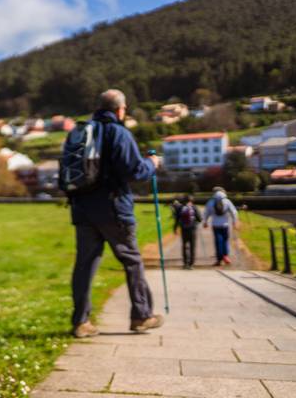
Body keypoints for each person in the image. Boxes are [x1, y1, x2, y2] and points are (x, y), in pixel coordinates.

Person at [68, 89, 163, 338]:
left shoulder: (82, 132)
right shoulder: (118, 133)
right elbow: (134, 171)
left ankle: (81, 322)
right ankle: (142, 315)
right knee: (131, 261)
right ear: (120, 109)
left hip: (82, 208)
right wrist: (152, 165)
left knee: (85, 265)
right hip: (113, 208)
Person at [203, 188, 239, 266]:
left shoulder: (211, 202)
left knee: (218, 241)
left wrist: (205, 222)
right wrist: (234, 221)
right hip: (225, 224)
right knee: (225, 240)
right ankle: (225, 256)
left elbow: (206, 212)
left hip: (215, 225)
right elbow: (234, 212)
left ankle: (219, 259)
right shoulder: (227, 201)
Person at [173, 195, 202, 269]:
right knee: (192, 246)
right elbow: (200, 219)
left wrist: (175, 228)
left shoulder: (180, 208)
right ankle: (191, 264)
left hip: (184, 229)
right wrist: (195, 222)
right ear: (191, 201)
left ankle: (185, 263)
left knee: (184, 246)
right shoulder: (194, 207)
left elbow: (177, 219)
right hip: (192, 229)